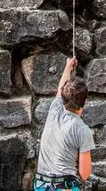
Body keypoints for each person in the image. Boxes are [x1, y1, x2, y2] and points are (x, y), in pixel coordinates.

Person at [34, 57, 94, 190]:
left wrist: (68, 66)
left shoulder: (54, 109)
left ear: (63, 96)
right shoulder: (82, 130)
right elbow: (84, 174)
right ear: (84, 102)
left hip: (41, 185)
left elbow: (61, 88)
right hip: (64, 186)